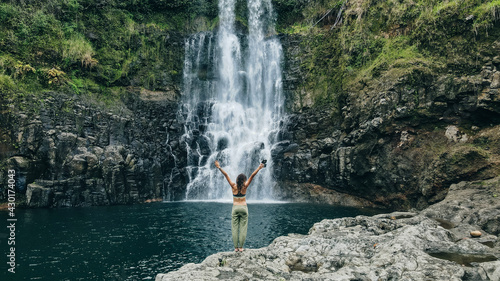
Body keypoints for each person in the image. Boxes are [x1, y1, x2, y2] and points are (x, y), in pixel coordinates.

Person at [214, 160, 265, 252]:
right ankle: (241, 247)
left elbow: (226, 175)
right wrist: (259, 167)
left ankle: (236, 248)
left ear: (237, 179)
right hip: (244, 208)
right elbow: (253, 175)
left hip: (235, 208)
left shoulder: (233, 186)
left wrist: (219, 167)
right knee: (243, 228)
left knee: (234, 228)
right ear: (244, 180)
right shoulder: (245, 186)